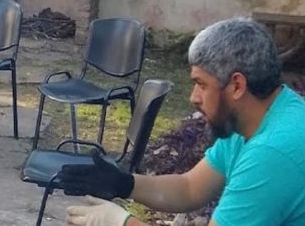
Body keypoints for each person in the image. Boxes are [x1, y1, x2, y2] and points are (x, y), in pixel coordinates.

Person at [59, 17, 305, 226]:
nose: (193, 98)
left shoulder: (272, 153)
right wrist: (124, 183)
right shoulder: (261, 116)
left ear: (237, 86)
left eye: (201, 84)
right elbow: (190, 187)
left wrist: (120, 222)